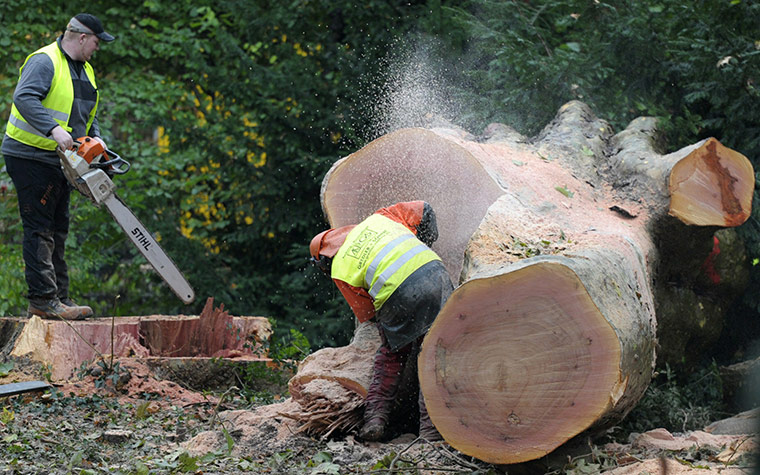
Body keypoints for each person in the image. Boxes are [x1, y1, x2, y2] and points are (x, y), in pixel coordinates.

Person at [2, 14, 115, 320]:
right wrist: (53, 129)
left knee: (58, 228)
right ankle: (42, 299)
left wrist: (98, 141)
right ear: (81, 37)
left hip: (59, 160)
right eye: (95, 42)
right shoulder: (45, 61)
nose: (97, 48)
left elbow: (85, 114)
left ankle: (59, 297)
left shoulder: (86, 70)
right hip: (29, 155)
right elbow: (24, 98)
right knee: (39, 229)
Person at [310, 201, 453, 442]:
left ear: (324, 259)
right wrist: (424, 245)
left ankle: (378, 421)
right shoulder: (380, 219)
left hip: (398, 294)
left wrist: (401, 335)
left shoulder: (340, 268)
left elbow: (369, 317)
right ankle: (432, 431)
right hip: (437, 273)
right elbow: (424, 209)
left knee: (392, 355)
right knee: (434, 354)